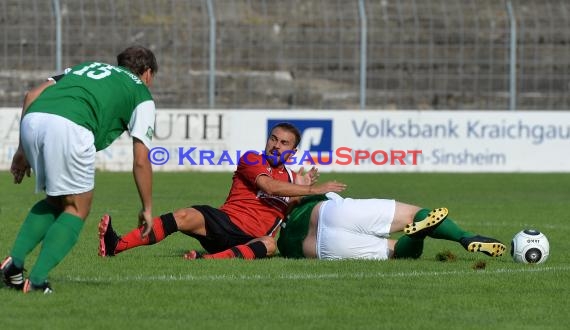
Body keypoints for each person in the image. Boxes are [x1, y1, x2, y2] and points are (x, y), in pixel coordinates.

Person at [1, 46, 159, 294]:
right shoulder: (141, 93)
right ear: (148, 73)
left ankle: (13, 267)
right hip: (71, 127)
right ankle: (38, 281)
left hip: (34, 119)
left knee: (56, 201)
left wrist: (21, 150)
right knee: (77, 207)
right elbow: (141, 159)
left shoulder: (88, 67)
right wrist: (147, 208)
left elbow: (31, 95)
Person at [98, 122, 347, 261]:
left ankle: (207, 261)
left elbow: (285, 212)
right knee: (184, 215)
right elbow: (268, 186)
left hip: (250, 238)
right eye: (273, 139)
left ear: (292, 152)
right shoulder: (252, 159)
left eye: (283, 143)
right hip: (224, 222)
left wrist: (301, 192)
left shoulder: (293, 179)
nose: (275, 145)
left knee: (270, 244)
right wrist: (312, 188)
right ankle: (116, 245)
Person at [277, 192, 506, 260]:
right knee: (414, 214)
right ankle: (465, 237)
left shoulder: (276, 238)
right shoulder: (297, 193)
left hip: (314, 249)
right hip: (328, 213)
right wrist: (306, 188)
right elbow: (289, 191)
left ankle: (418, 236)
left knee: (398, 252)